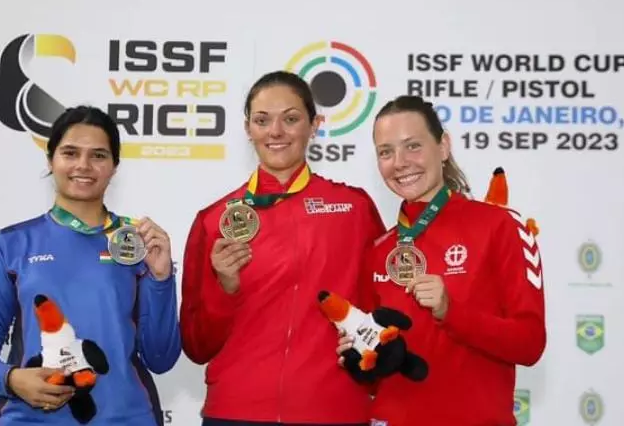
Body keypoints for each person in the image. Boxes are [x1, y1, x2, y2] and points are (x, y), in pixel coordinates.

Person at [179, 70, 387, 426]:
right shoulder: (214, 221)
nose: (275, 131)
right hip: (236, 412)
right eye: (262, 120)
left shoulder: (354, 209)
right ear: (248, 129)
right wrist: (224, 289)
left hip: (332, 411)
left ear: (314, 125)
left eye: (290, 119)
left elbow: (382, 316)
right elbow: (197, 346)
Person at [0, 105, 181, 425]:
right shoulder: (11, 245)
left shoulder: (136, 245)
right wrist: (12, 379)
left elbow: (161, 358)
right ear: (51, 160)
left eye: (99, 155)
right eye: (70, 152)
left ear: (115, 167)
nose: (83, 165)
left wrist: (161, 278)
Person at [337, 95, 547, 426]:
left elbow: (530, 344)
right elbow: (375, 375)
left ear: (444, 146)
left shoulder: (501, 226)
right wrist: (361, 358)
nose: (400, 162)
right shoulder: (378, 250)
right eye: (386, 152)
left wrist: (451, 311)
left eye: (413, 146)